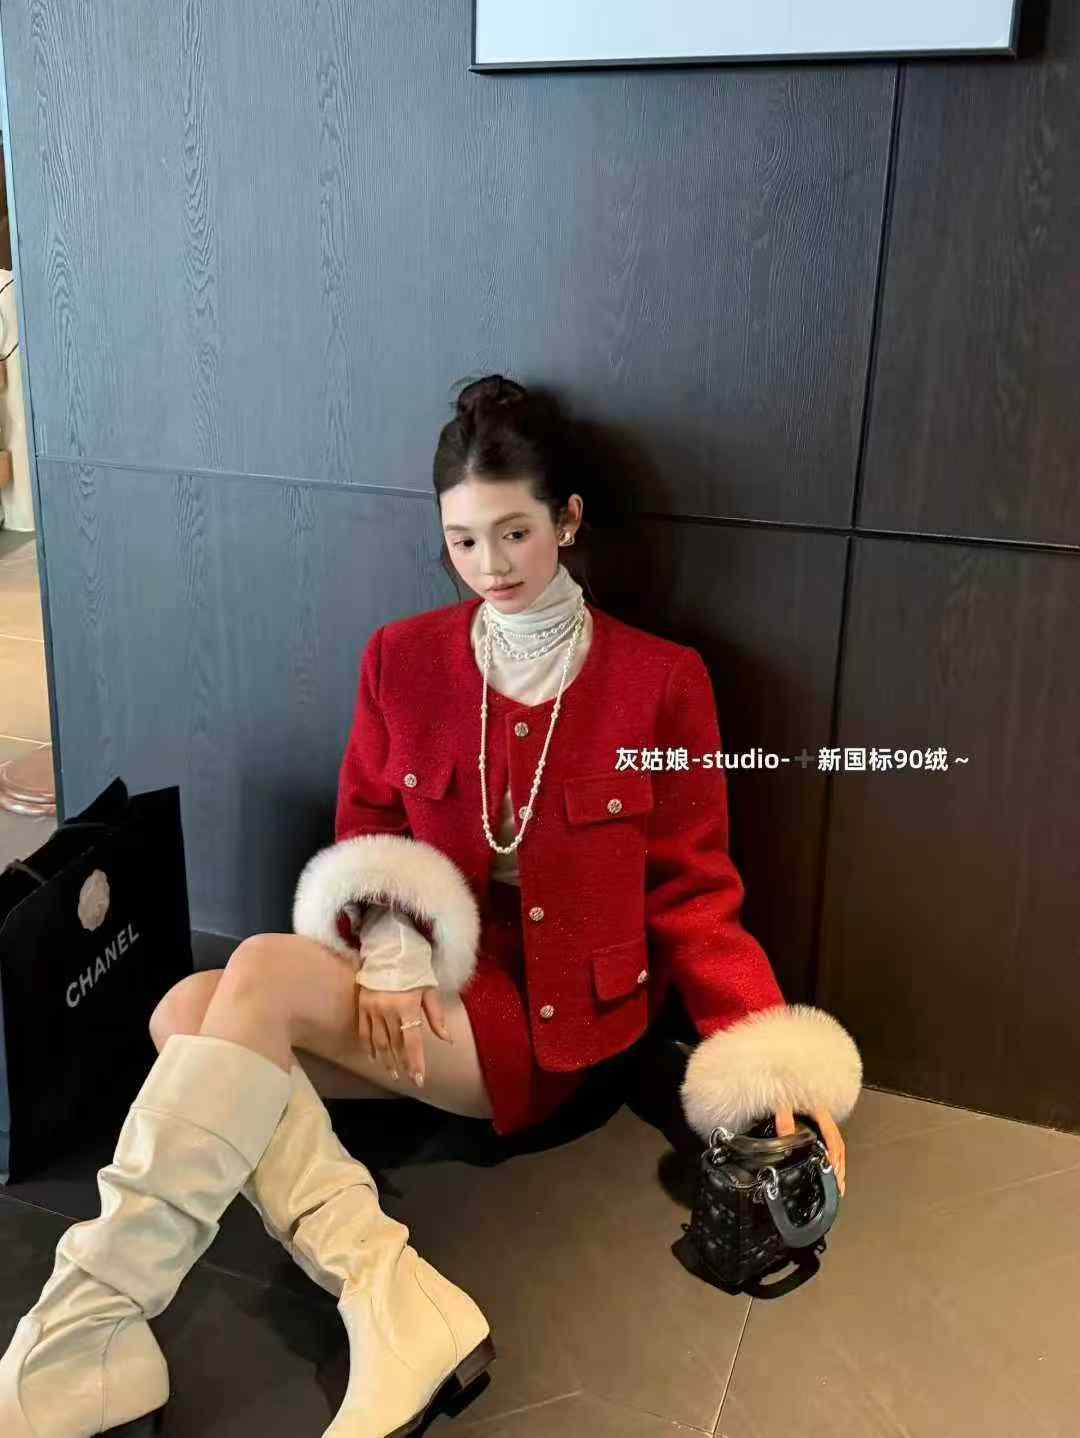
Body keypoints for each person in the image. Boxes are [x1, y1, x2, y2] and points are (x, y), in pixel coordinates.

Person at [0, 373, 862, 1438]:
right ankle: (389, 1291)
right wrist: (395, 947)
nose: (490, 565)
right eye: (463, 540)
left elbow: (695, 892)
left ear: (567, 521)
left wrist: (774, 1070)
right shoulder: (402, 659)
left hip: (553, 1029)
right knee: (183, 1011)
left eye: (514, 533)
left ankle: (86, 1324)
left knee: (251, 977)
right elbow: (367, 832)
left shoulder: (660, 681)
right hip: (425, 984)